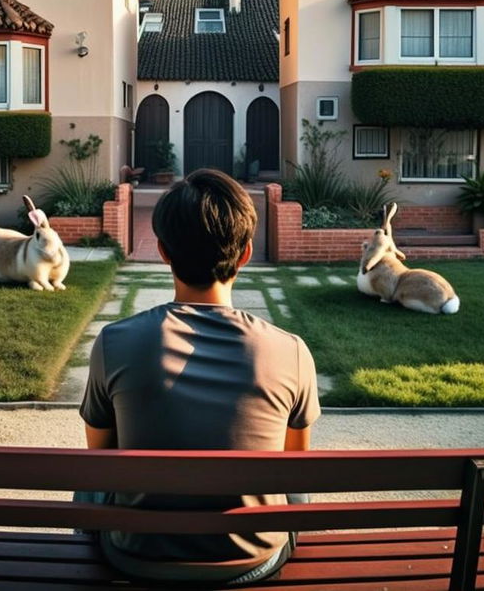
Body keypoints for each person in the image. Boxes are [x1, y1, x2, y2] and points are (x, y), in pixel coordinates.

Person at [79, 168, 320, 584]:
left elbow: (102, 456)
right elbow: (291, 467)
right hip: (252, 561)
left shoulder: (114, 342)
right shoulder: (290, 350)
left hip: (136, 557)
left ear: (163, 251)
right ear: (245, 253)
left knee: (90, 486)